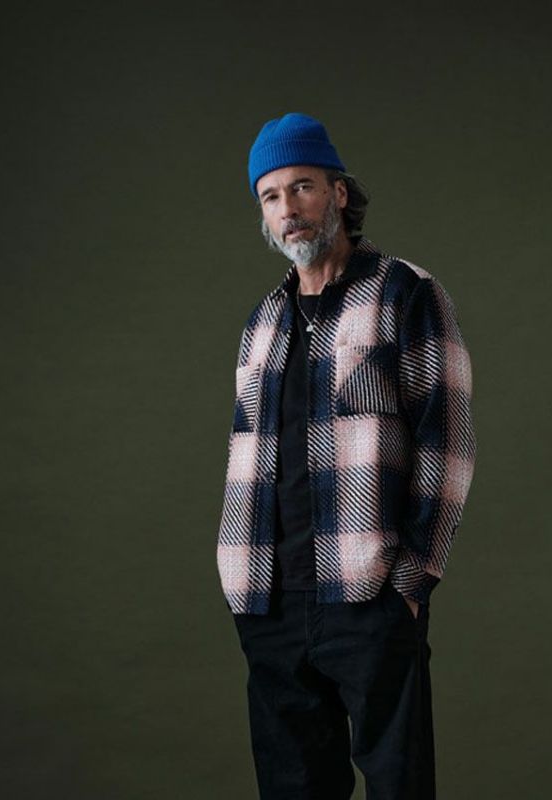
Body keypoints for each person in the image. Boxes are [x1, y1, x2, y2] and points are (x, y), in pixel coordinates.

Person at [216, 112, 476, 800]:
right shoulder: (261, 324)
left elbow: (447, 441)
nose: (288, 209)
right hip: (269, 600)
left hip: (369, 595)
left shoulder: (404, 292)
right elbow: (246, 456)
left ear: (337, 192)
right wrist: (239, 585)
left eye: (302, 187)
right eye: (271, 196)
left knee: (398, 785)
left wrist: (411, 581)